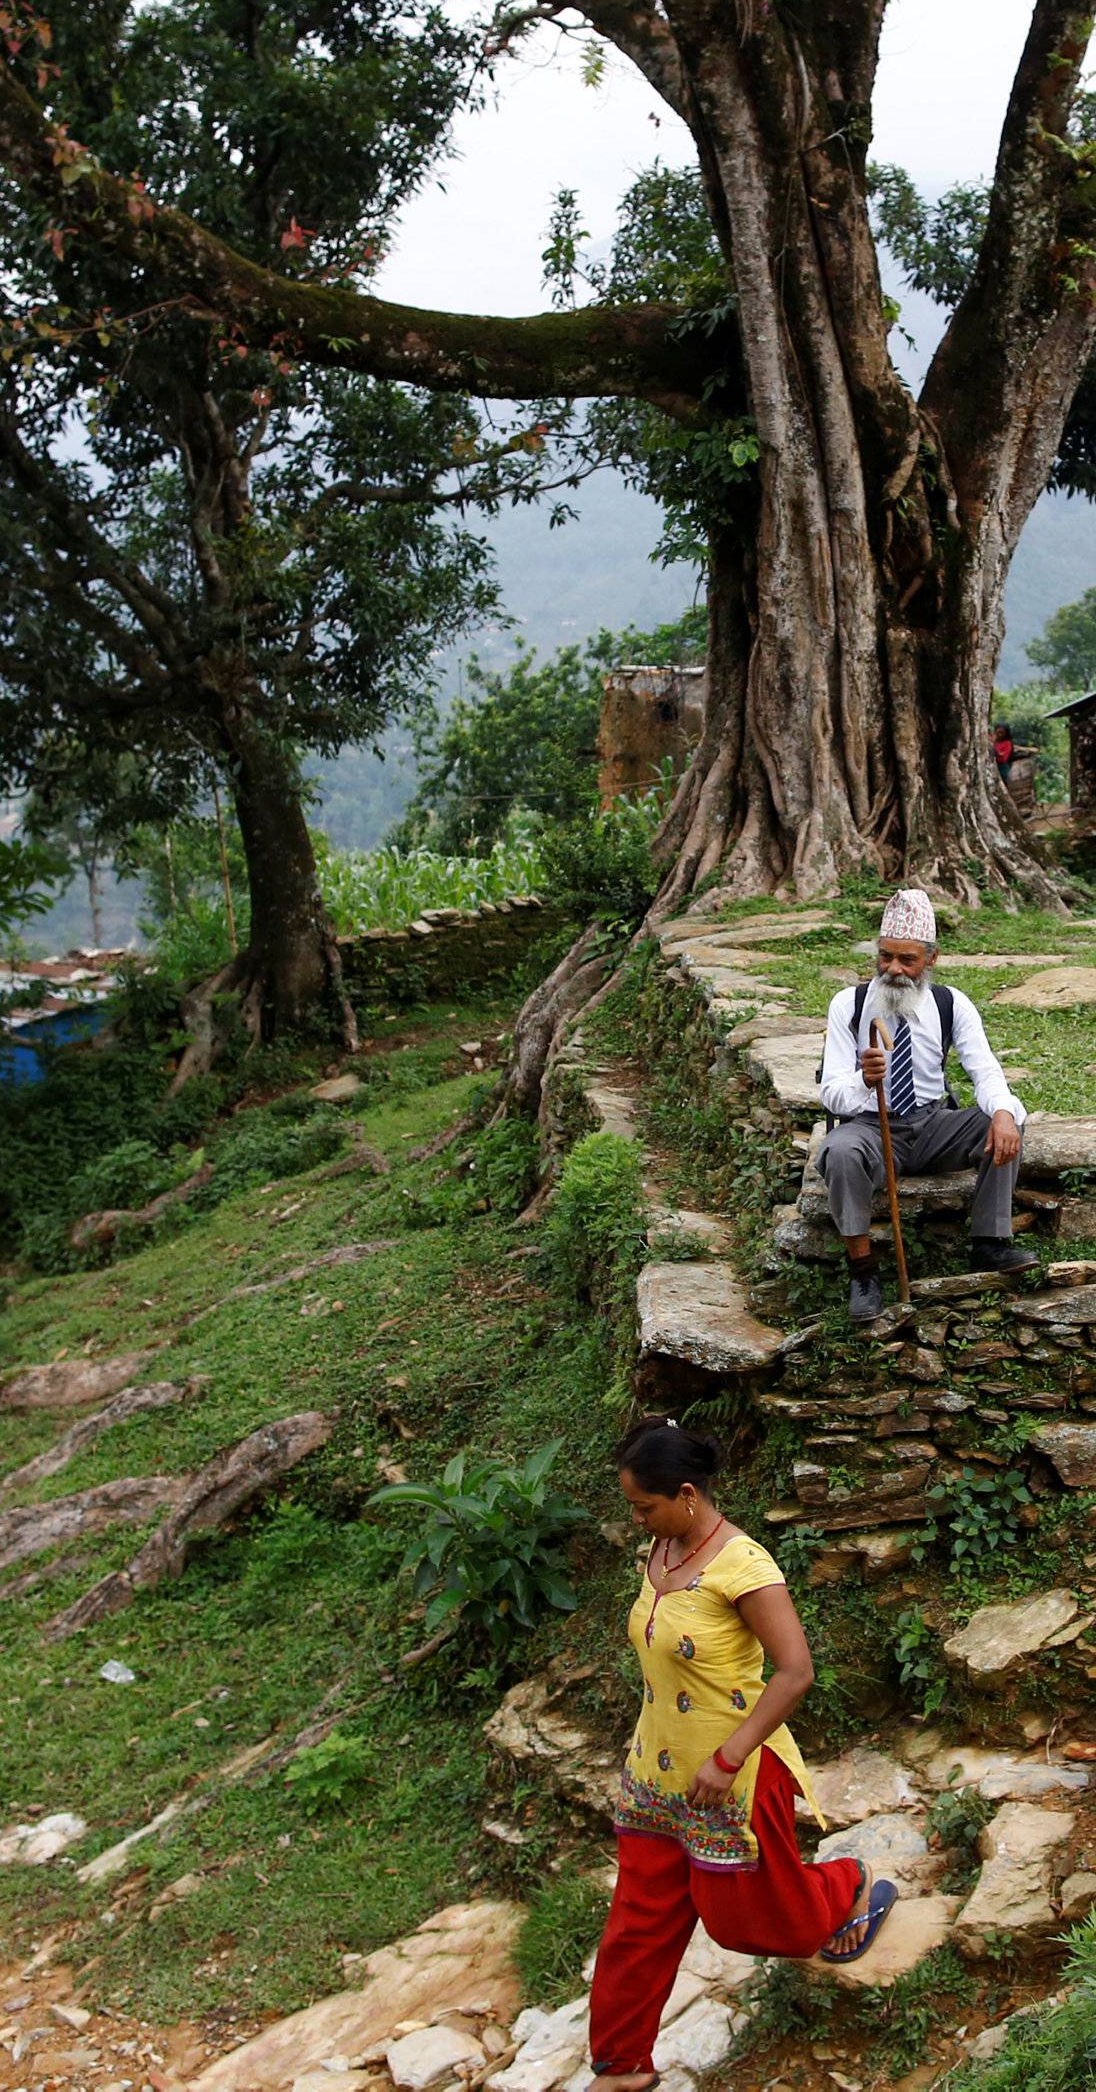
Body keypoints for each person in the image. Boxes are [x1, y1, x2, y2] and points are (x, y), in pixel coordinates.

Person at [589, 1420, 894, 2091]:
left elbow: (794, 1672)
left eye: (645, 1506)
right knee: (635, 1929)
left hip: (732, 1777)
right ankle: (621, 2069)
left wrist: (726, 1758)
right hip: (654, 1776)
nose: (638, 1519)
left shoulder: (745, 1567)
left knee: (749, 1925)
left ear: (689, 1494)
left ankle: (846, 1884)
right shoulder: (662, 1550)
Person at [817, 886, 1032, 1324]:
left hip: (933, 1124)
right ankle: (863, 1274)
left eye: (907, 960)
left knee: (1003, 1118)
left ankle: (989, 1242)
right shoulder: (849, 1004)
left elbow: (986, 1071)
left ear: (930, 959)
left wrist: (1004, 1113)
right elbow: (831, 1092)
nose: (894, 969)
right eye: (886, 957)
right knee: (838, 1150)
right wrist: (865, 1080)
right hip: (871, 1127)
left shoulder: (951, 1004)